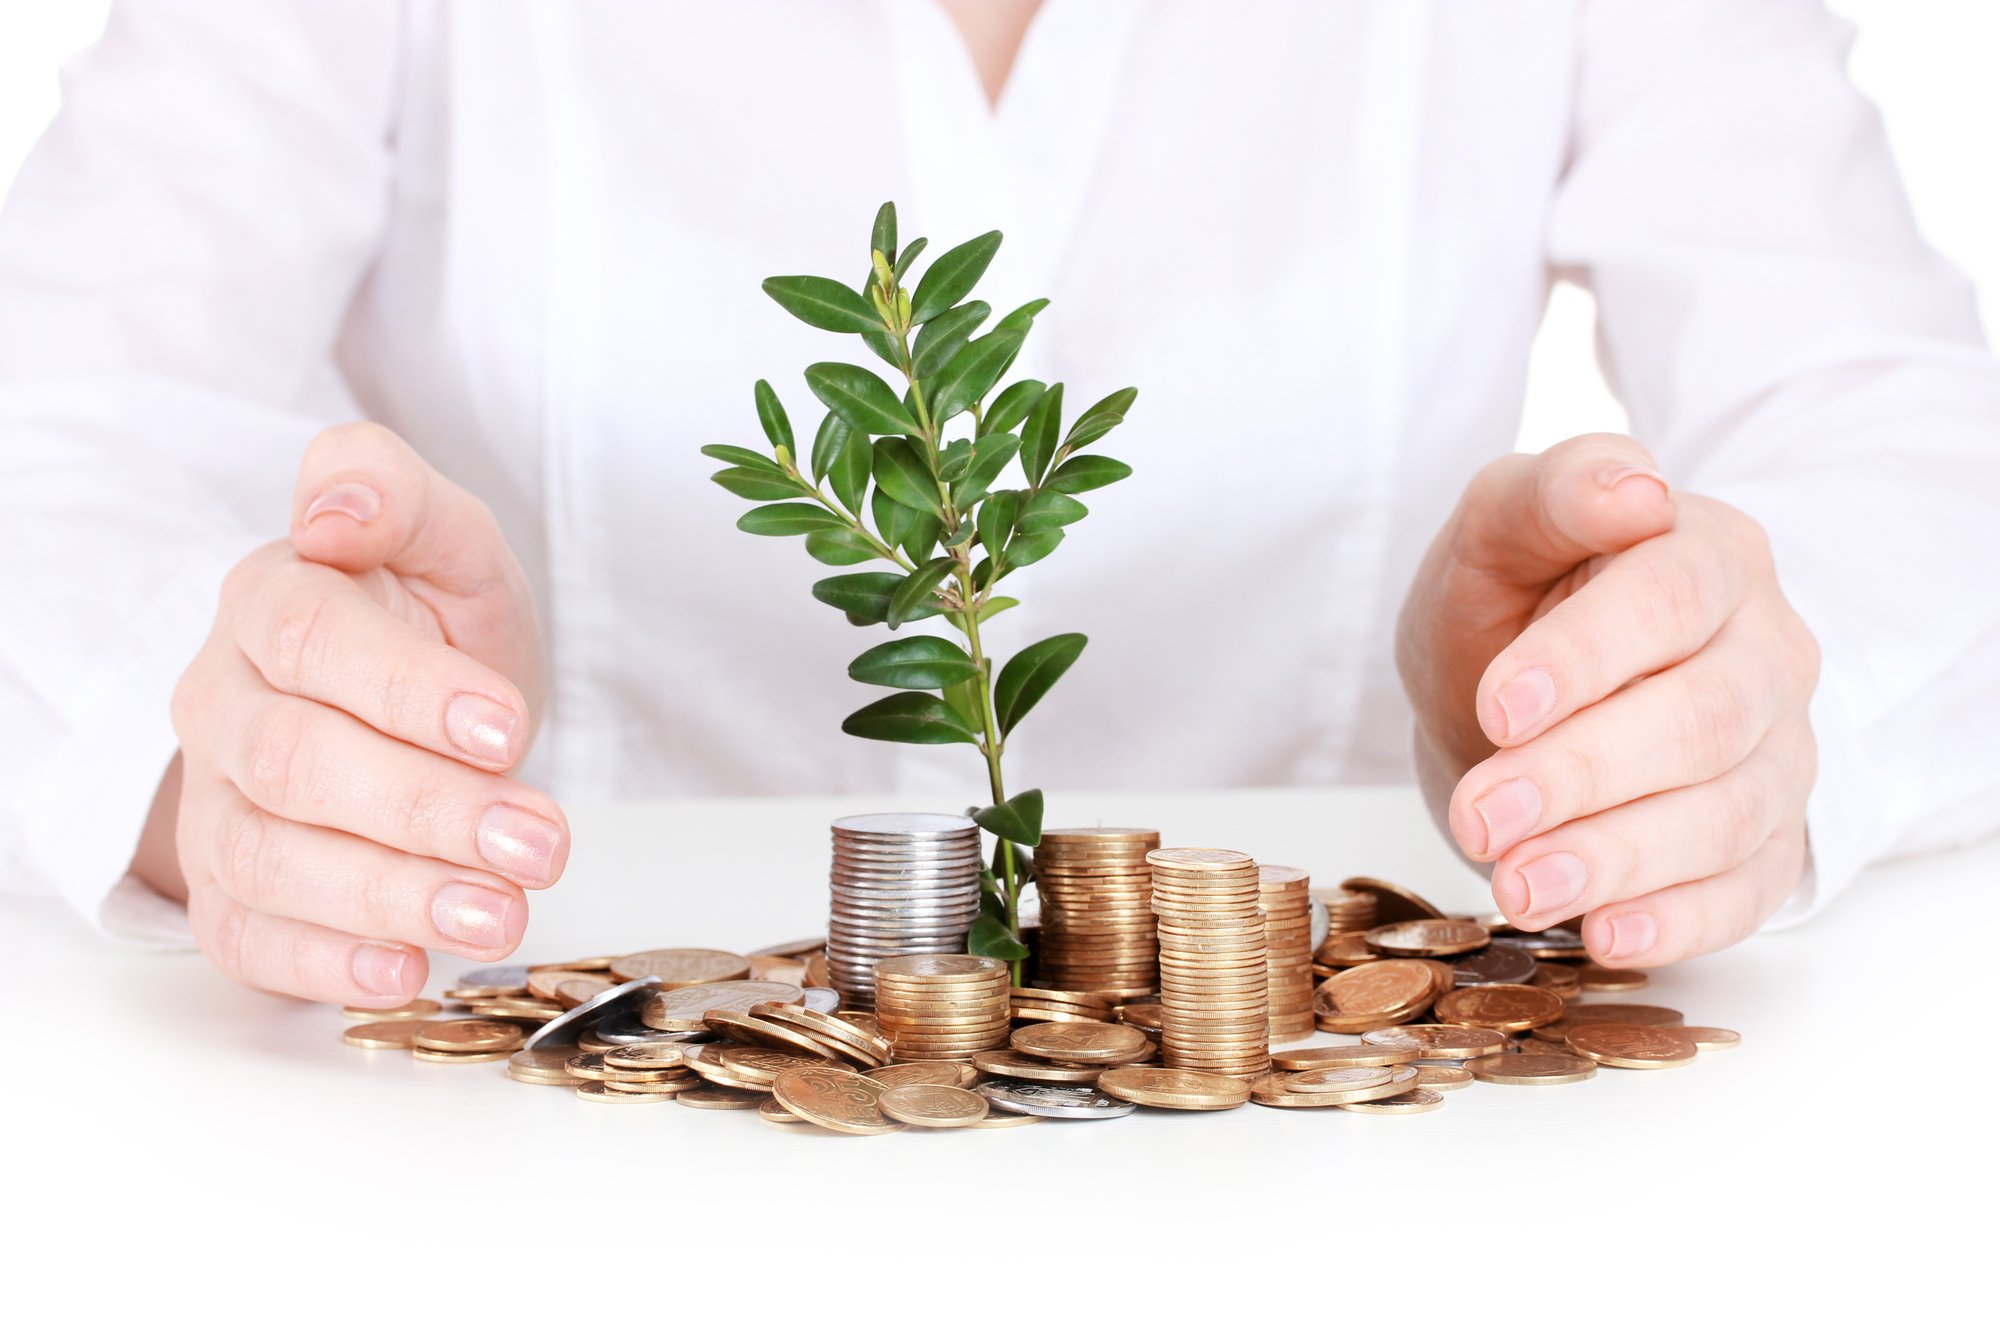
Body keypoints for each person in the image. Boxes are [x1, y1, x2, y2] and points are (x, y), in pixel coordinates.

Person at [2, 0, 1995, 1009]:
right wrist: (235, 743)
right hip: (534, 1170)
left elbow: (1918, 451)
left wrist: (1680, 682)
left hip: (1338, 1197)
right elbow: (55, 422)